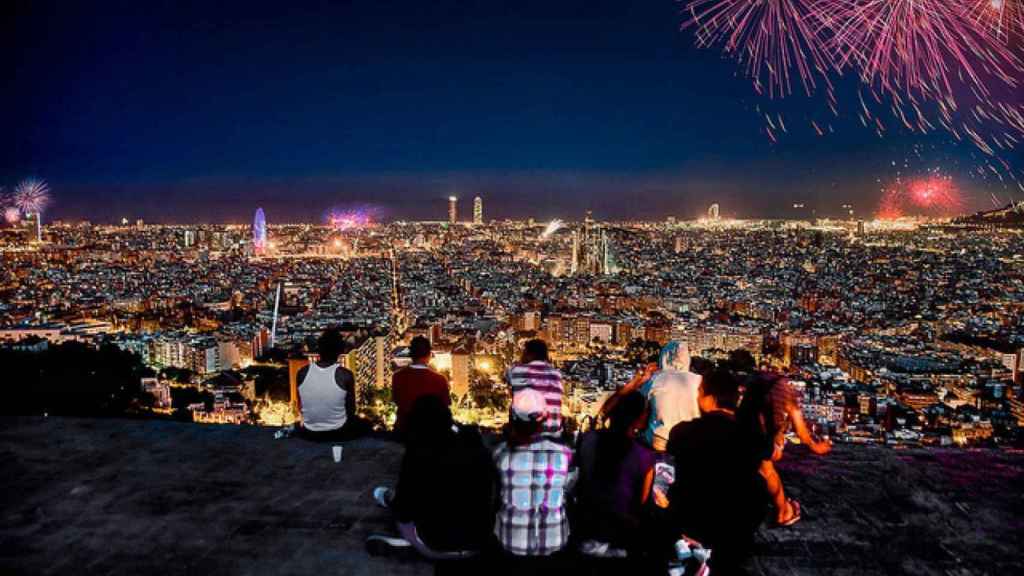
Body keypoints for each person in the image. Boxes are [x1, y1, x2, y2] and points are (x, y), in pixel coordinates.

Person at [366, 395, 496, 560]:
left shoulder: (419, 452)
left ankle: (414, 544)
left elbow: (404, 510)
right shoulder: (474, 442)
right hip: (479, 540)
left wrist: (393, 501)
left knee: (398, 505)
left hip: (437, 540)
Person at [666, 369, 767, 571]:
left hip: (693, 519)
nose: (696, 396)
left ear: (710, 398)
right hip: (736, 523)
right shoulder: (751, 436)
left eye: (700, 391)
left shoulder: (683, 432)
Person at [737, 372, 832, 527]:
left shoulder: (755, 380)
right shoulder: (783, 387)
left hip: (745, 427)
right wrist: (815, 446)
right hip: (760, 431)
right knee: (767, 468)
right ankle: (783, 511)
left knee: (761, 464)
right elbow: (798, 425)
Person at [492, 388, 573, 566]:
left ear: (512, 417)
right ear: (543, 418)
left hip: (511, 542)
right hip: (554, 543)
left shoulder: (501, 453)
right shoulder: (563, 453)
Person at [576, 391, 657, 558]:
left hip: (586, 531)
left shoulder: (588, 439)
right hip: (620, 541)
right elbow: (641, 505)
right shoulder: (645, 457)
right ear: (640, 419)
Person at [295, 328, 367, 441]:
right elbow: (351, 409)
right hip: (338, 432)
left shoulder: (302, 373)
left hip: (310, 431)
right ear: (340, 350)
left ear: (319, 349)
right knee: (366, 424)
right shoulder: (345, 375)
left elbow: (300, 406)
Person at [640, 340, 702, 451]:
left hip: (658, 440)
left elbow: (640, 406)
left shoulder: (655, 379)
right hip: (690, 441)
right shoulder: (699, 381)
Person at [392, 336, 451, 439]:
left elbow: (396, 400)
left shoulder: (397, 377)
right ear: (429, 355)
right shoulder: (440, 379)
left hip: (404, 430)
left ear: (411, 355)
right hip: (432, 432)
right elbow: (445, 406)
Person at [506, 339, 563, 438]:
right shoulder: (556, 374)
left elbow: (510, 386)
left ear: (529, 354)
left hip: (527, 435)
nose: (522, 355)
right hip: (553, 433)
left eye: (524, 352)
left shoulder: (517, 371)